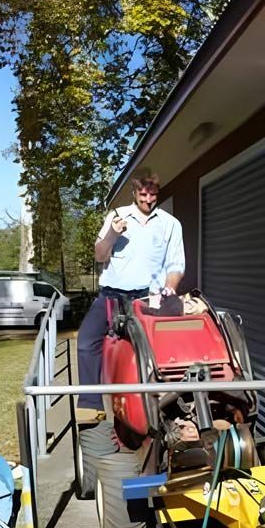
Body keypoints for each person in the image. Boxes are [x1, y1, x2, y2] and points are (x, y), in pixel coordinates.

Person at [77, 171, 184, 413]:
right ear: (134, 193)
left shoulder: (170, 224)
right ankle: (90, 406)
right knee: (86, 342)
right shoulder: (116, 216)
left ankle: (170, 403)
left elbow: (176, 265)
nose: (148, 200)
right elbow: (99, 255)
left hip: (150, 297)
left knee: (165, 345)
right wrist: (113, 234)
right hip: (112, 297)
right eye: (143, 195)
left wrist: (170, 287)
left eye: (153, 195)